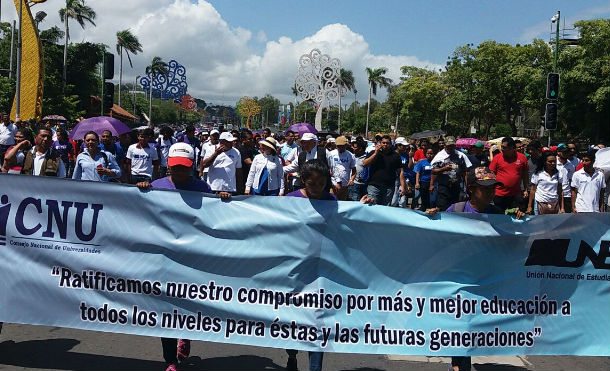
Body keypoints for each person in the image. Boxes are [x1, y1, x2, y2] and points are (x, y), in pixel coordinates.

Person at [136, 143, 229, 371]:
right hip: (163, 258)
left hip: (191, 259)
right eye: (175, 167)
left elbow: (214, 218)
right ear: (168, 164)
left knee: (185, 304)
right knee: (165, 309)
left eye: (184, 168)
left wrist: (222, 199)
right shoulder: (155, 187)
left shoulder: (201, 188)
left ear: (191, 166)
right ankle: (170, 360)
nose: (179, 172)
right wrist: (141, 189)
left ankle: (184, 334)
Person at [426, 167, 523, 371]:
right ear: (471, 189)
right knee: (461, 320)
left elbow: (513, 243)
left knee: (473, 323)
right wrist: (431, 217)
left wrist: (522, 221)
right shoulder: (457, 210)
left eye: (493, 188)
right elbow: (438, 238)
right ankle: (459, 362)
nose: (490, 193)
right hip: (459, 277)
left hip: (485, 278)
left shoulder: (497, 214)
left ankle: (462, 361)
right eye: (485, 188)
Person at [285, 159, 374, 371]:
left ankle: (315, 368)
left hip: (322, 271)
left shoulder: (331, 200)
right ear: (303, 181)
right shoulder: (290, 200)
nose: (317, 188)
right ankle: (291, 354)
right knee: (292, 321)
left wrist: (360, 208)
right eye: (311, 183)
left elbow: (344, 223)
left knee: (317, 322)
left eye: (321, 183)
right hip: (294, 269)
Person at [362, 134, 406, 206]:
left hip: (389, 187)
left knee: (385, 208)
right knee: (371, 206)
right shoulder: (373, 153)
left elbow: (400, 171)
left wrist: (403, 187)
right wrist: (375, 153)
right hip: (374, 186)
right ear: (380, 143)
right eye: (383, 143)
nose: (385, 144)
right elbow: (364, 164)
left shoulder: (395, 156)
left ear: (391, 144)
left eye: (387, 143)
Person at [489, 137, 529, 212]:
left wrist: (526, 189)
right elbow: (492, 174)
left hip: (516, 194)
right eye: (501, 147)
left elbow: (525, 174)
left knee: (516, 216)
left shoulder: (522, 158)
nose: (502, 149)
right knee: (499, 216)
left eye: (504, 147)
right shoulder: (497, 157)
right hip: (499, 194)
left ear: (512, 148)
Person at [430, 139, 471, 210]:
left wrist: (467, 185)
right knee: (442, 207)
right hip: (444, 187)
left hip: (457, 187)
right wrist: (443, 169)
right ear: (445, 146)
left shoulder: (461, 156)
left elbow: (466, 171)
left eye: (452, 146)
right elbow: (433, 171)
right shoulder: (439, 156)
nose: (450, 148)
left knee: (456, 207)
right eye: (448, 146)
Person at [329, 136, 356, 201]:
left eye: (342, 146)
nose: (340, 148)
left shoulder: (350, 155)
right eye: (338, 146)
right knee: (331, 202)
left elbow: (354, 170)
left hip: (344, 185)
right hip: (333, 185)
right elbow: (327, 167)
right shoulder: (331, 154)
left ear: (346, 145)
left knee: (342, 203)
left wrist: (352, 180)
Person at [556, 144, 575, 213]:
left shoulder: (571, 165)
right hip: (555, 194)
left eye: (567, 152)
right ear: (558, 152)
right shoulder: (553, 163)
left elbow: (570, 180)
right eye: (564, 152)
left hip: (567, 195)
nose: (566, 154)